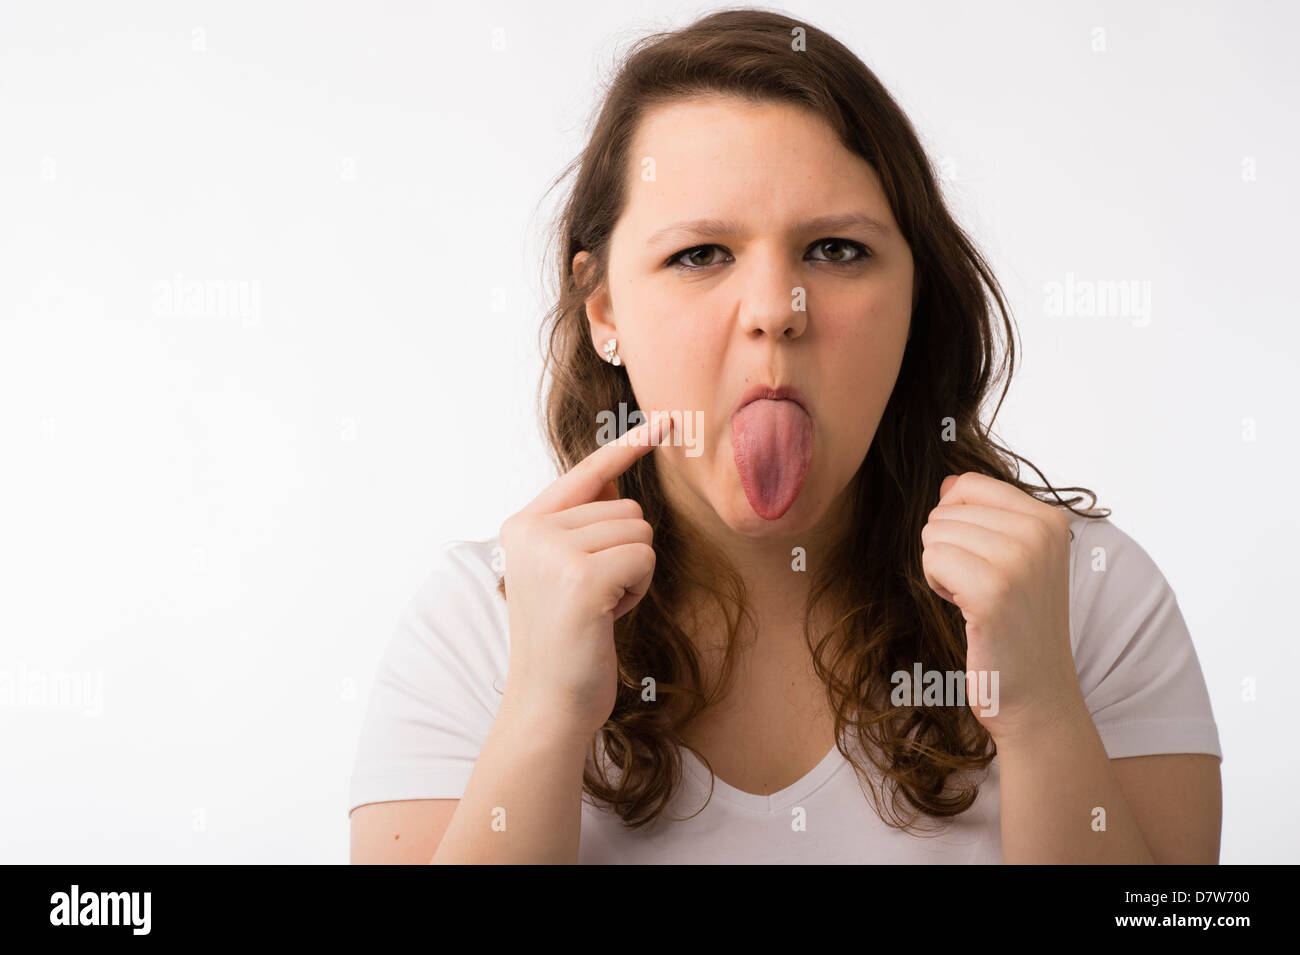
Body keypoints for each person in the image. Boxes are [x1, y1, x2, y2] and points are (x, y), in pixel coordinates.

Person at [348, 8, 1222, 864]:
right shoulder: (474, 628)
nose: (777, 310)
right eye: (700, 255)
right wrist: (540, 710)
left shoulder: (1088, 595)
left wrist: (1039, 710)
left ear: (915, 296)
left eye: (836, 250)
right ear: (604, 309)